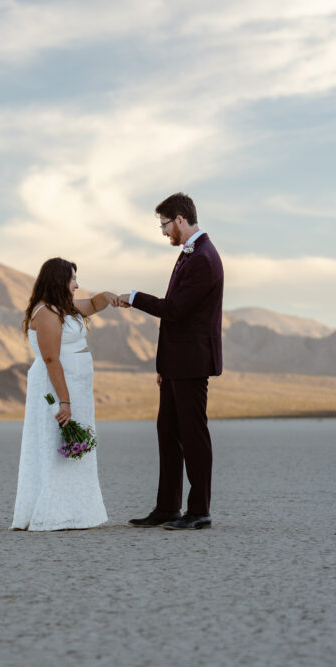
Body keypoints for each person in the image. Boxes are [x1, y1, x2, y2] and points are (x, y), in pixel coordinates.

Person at [121, 192, 223, 530]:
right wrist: (164, 366)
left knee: (193, 435)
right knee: (168, 432)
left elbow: (175, 310)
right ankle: (167, 507)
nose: (164, 232)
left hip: (192, 363)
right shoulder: (190, 254)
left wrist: (134, 298)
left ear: (180, 219)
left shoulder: (204, 258)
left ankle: (200, 510)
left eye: (165, 225)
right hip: (176, 364)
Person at [10, 258, 120, 531]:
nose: (77, 285)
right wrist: (64, 401)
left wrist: (107, 296)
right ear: (59, 280)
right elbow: (50, 359)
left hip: (76, 386)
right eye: (73, 279)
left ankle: (76, 511)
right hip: (56, 387)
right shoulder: (47, 312)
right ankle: (54, 512)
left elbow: (93, 305)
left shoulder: (65, 308)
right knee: (56, 443)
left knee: (75, 445)